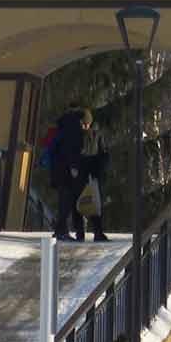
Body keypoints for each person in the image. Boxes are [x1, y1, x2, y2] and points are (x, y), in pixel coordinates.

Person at [50, 103, 86, 241]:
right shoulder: (74, 126)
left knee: (64, 200)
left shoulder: (63, 124)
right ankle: (61, 230)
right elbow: (72, 148)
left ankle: (62, 230)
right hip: (67, 171)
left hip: (59, 169)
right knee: (67, 201)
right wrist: (74, 167)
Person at [75, 110, 110, 242]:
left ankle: (97, 231)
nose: (83, 126)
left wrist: (99, 170)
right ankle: (81, 233)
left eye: (85, 123)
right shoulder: (79, 135)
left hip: (92, 173)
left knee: (95, 203)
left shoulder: (97, 135)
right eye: (82, 124)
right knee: (80, 203)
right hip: (82, 173)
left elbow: (104, 154)